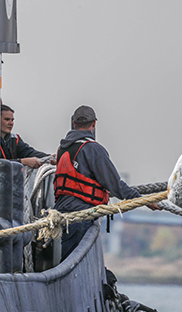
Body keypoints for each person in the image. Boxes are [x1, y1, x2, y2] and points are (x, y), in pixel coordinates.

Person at [54, 105, 160, 261]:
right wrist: (144, 201)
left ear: (74, 123)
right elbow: (114, 184)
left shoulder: (63, 149)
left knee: (65, 261)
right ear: (94, 123)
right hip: (81, 215)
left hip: (62, 214)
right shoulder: (93, 149)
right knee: (75, 263)